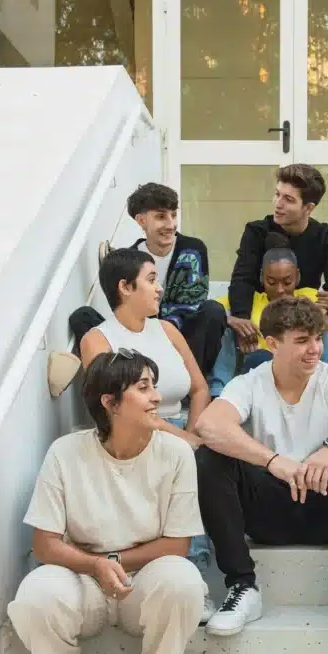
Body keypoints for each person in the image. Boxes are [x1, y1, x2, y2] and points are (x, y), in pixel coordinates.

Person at [8, 351, 208, 654]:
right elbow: (44, 543)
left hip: (143, 580)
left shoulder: (177, 453)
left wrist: (113, 563)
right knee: (35, 593)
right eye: (143, 387)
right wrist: (95, 565)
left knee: (184, 581)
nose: (156, 397)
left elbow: (177, 545)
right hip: (82, 578)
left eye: (155, 386)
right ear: (110, 402)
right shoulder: (65, 452)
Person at [195, 297, 328, 636]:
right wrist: (273, 461)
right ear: (272, 343)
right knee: (209, 457)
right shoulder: (250, 382)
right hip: (267, 512)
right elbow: (209, 425)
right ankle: (243, 587)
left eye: (318, 338)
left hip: (326, 507)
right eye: (302, 340)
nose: (315, 349)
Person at [78, 247, 214, 612]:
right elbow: (109, 404)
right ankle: (187, 581)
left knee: (203, 460)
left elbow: (200, 388)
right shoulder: (97, 339)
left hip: (182, 427)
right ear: (124, 287)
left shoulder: (167, 329)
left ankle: (196, 580)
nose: (160, 289)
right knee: (184, 459)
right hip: (131, 432)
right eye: (151, 281)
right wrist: (177, 437)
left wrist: (192, 430)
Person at [70, 183, 226, 378]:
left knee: (213, 311)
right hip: (137, 342)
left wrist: (159, 335)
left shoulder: (193, 249)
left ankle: (191, 382)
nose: (170, 224)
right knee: (82, 317)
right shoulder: (128, 260)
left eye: (173, 215)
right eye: (161, 216)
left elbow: (190, 305)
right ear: (141, 220)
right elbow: (124, 310)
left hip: (182, 342)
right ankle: (115, 383)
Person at [228, 164, 328, 364]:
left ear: (308, 208)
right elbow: (243, 279)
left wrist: (320, 311)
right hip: (262, 311)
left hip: (306, 313)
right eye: (277, 195)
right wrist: (241, 317)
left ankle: (322, 380)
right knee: (226, 318)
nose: (278, 203)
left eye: (288, 199)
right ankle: (220, 388)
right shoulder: (256, 231)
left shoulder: (325, 236)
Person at [210, 240, 328, 394]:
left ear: (297, 276)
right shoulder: (250, 301)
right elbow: (208, 312)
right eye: (272, 282)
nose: (280, 289)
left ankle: (323, 383)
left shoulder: (310, 297)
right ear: (262, 278)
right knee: (224, 326)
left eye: (287, 282)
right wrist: (231, 320)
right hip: (259, 369)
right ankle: (219, 393)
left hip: (305, 366)